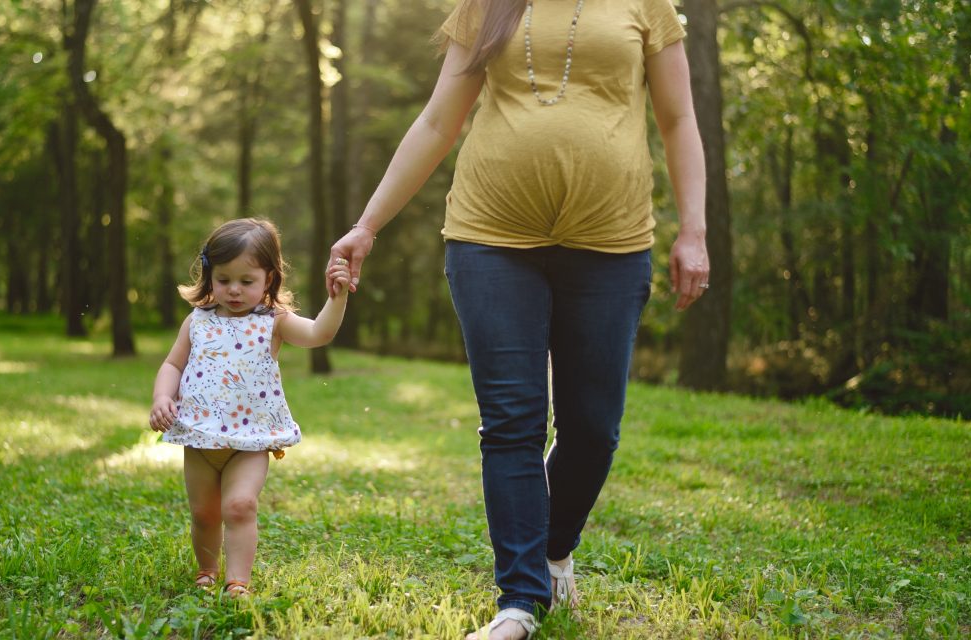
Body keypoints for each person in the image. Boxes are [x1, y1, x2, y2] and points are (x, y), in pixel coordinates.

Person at [329, 0, 709, 636]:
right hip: (489, 237)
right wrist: (367, 226)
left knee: (593, 427)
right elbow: (437, 121)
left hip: (611, 242)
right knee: (512, 419)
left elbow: (678, 117)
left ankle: (553, 549)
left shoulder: (645, 6)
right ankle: (520, 600)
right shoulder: (486, 5)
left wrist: (693, 230)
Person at [149, 218, 353, 597]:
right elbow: (172, 365)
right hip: (200, 437)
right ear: (209, 276)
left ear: (269, 279)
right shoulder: (198, 321)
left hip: (251, 440)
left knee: (240, 506)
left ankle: (237, 581)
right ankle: (207, 570)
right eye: (224, 279)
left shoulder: (274, 321)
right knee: (204, 513)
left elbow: (319, 334)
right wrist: (163, 397)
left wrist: (336, 298)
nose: (235, 290)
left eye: (247, 281)